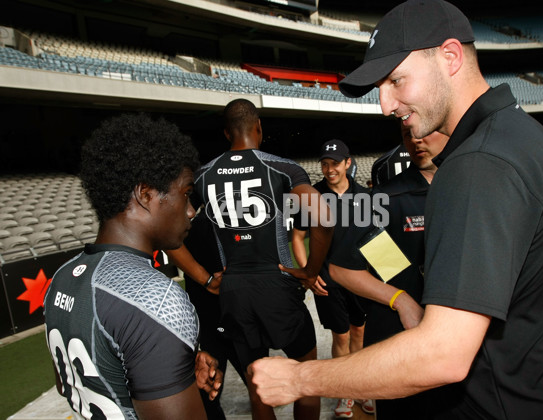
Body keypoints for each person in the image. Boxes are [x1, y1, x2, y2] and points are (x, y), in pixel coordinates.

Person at [249, 1, 543, 419]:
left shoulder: (477, 164)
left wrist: (297, 379)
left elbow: (443, 355)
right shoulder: (521, 130)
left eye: (396, 80)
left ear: (450, 56)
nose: (385, 105)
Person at [44, 113, 223, 420]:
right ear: (145, 194)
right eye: (185, 194)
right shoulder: (156, 297)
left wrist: (172, 367)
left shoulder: (63, 277)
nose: (192, 211)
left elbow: (68, 383)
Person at [191, 98, 333, 420]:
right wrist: (310, 271)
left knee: (258, 389)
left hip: (233, 292)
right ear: (259, 128)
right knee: (306, 378)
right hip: (278, 285)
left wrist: (205, 278)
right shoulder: (282, 167)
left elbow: (170, 234)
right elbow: (324, 217)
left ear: (227, 133)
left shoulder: (202, 176)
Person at [327, 126, 449, 419]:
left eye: (426, 131)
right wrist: (401, 299)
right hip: (401, 338)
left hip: (456, 340)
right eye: (408, 134)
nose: (416, 140)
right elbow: (342, 267)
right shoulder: (385, 197)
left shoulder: (469, 186)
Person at [291, 139, 373, 418]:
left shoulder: (365, 196)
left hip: (360, 280)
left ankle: (361, 388)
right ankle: (345, 393)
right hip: (328, 282)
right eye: (324, 164)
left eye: (334, 163)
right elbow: (297, 238)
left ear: (348, 163)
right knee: (341, 337)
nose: (329, 169)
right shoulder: (312, 198)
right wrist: (308, 274)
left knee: (360, 334)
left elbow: (375, 240)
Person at [166, 209, 247, 420]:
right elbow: (170, 244)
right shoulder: (189, 221)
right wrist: (208, 281)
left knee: (258, 385)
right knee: (208, 388)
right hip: (209, 313)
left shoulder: (235, 214)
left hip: (235, 312)